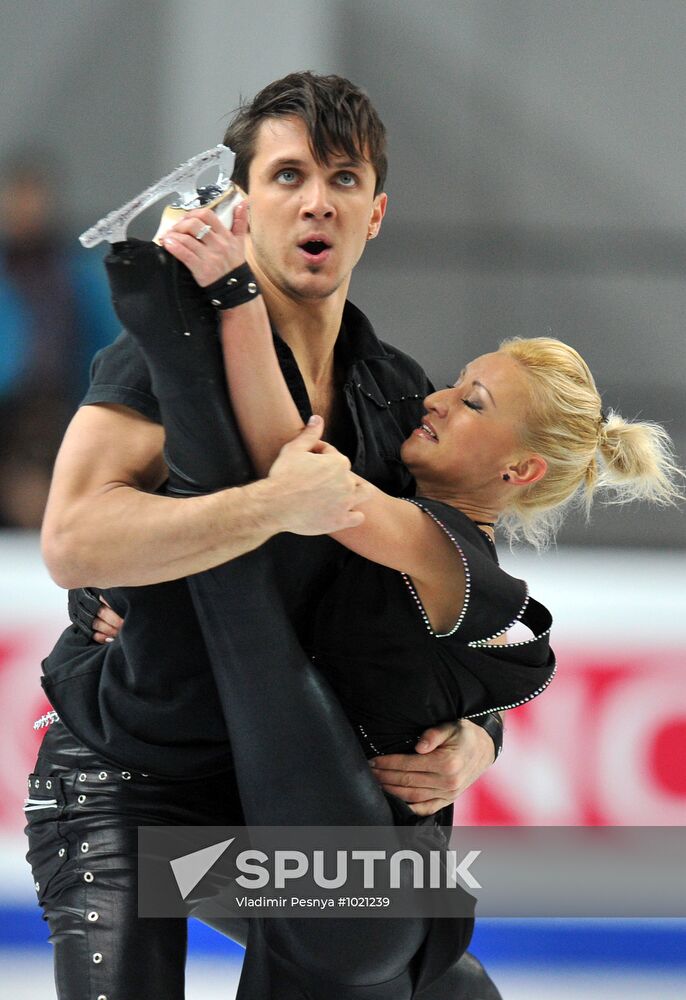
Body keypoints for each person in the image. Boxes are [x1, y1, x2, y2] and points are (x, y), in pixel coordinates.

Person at [28, 73, 504, 999]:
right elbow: (72, 539)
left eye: (343, 177)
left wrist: (477, 733)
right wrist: (270, 508)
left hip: (271, 801)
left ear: (376, 213)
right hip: (126, 789)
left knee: (432, 978)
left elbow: (447, 589)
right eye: (287, 176)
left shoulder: (396, 395)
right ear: (241, 206)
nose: (317, 199)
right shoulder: (165, 351)